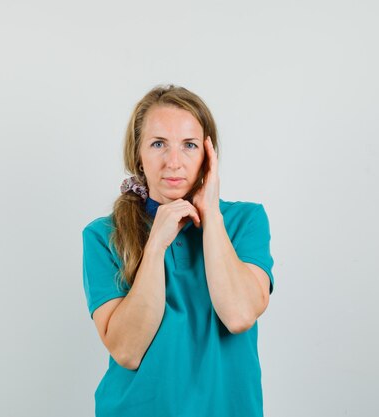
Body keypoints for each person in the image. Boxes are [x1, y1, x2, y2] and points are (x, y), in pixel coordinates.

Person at [81, 84, 275, 417]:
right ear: (138, 155)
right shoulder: (102, 235)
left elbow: (239, 315)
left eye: (189, 145)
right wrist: (156, 244)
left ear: (208, 154)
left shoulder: (246, 220)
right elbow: (127, 351)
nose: (174, 161)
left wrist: (210, 214)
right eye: (158, 144)